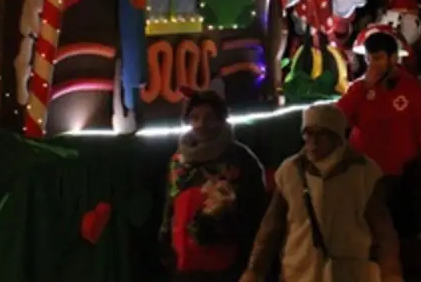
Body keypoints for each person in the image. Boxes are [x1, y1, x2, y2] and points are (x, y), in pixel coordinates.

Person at [242, 104, 402, 282]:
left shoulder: (364, 172)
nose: (313, 141)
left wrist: (391, 272)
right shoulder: (290, 171)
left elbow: (383, 231)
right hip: (301, 272)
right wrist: (254, 270)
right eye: (308, 134)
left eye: (322, 134)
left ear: (337, 137)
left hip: (351, 273)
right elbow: (271, 228)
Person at [337, 27, 421, 275]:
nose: (373, 65)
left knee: (400, 242)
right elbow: (337, 119)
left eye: (379, 58)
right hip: (363, 179)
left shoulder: (413, 90)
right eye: (369, 59)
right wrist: (362, 88)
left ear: (393, 58)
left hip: (400, 181)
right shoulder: (359, 89)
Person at [159, 89, 267, 282]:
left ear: (221, 119)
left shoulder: (240, 159)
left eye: (209, 117)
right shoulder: (179, 161)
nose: (201, 124)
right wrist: (166, 248)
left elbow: (256, 213)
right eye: (195, 117)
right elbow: (170, 206)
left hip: (226, 267)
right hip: (185, 265)